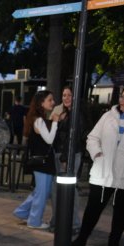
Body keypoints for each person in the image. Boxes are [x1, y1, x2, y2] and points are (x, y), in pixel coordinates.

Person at [71, 87, 124, 246]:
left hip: (123, 176)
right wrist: (97, 154)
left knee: (121, 215)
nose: (123, 100)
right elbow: (92, 138)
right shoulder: (108, 116)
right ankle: (82, 239)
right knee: (92, 210)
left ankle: (113, 244)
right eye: (123, 96)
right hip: (102, 173)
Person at [13, 90, 59, 229]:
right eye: (50, 100)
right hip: (42, 162)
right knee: (42, 193)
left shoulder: (38, 118)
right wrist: (55, 123)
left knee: (39, 191)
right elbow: (49, 139)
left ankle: (22, 212)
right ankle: (34, 221)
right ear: (41, 103)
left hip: (42, 162)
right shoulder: (38, 120)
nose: (53, 102)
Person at [49, 86, 82, 233]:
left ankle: (74, 224)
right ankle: (57, 221)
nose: (66, 98)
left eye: (69, 95)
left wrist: (65, 157)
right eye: (64, 95)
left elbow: (74, 137)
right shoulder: (59, 111)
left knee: (70, 189)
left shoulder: (77, 113)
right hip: (59, 153)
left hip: (71, 155)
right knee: (56, 189)